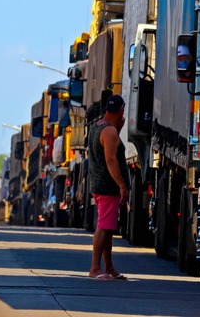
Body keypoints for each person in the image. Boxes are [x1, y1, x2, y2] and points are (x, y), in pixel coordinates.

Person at [87, 94, 131, 280]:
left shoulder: (96, 127)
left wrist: (118, 129)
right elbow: (111, 160)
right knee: (104, 226)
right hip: (108, 186)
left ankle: (109, 267)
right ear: (121, 110)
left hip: (99, 183)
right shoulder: (110, 132)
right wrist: (122, 185)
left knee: (108, 227)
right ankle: (95, 268)